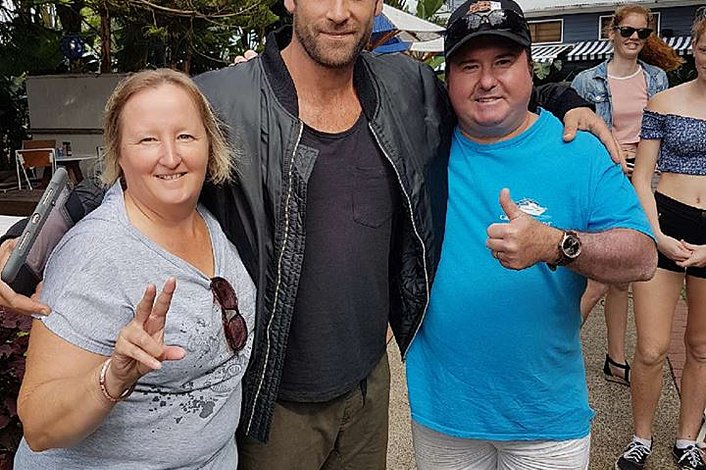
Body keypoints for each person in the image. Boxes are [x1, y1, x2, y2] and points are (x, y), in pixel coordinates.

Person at [0, 1, 621, 468]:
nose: (340, 11)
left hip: (368, 385)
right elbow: (132, 174)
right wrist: (23, 249)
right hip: (272, 397)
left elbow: (483, 92)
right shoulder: (225, 100)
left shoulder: (405, 90)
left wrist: (565, 97)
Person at [405, 1, 657, 468]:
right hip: (443, 414)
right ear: (448, 77)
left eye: (503, 61)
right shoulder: (422, 148)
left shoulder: (576, 150)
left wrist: (557, 245)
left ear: (529, 67)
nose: (486, 80)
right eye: (468, 65)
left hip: (545, 419)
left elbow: (642, 257)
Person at [11, 69, 256, 469]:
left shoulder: (208, 217)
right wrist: (113, 378)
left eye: (185, 136)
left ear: (210, 145)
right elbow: (39, 426)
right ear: (119, 154)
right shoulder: (95, 253)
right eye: (147, 140)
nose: (171, 156)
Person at [615, 8, 706, 470]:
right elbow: (642, 177)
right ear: (695, 48)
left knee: (701, 347)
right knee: (651, 348)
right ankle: (641, 436)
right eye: (705, 49)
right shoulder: (664, 101)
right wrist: (657, 235)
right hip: (666, 221)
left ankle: (688, 439)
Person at [571, 4, 680, 387]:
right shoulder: (587, 81)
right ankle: (578, 349)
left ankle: (622, 358)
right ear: (612, 32)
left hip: (648, 178)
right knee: (608, 275)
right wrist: (615, 158)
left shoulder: (656, 79)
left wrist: (646, 163)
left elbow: (666, 132)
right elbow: (580, 139)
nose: (634, 38)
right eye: (627, 31)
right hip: (610, 177)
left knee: (633, 271)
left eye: (642, 32)